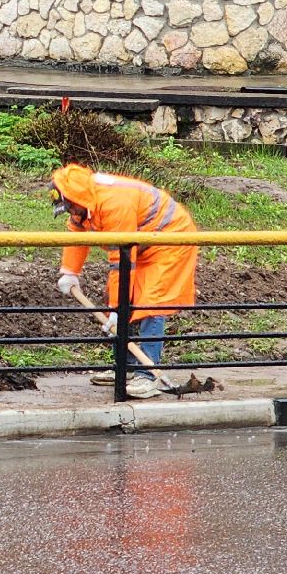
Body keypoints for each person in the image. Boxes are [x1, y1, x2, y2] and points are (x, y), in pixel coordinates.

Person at [48, 162, 198, 400]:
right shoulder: (83, 204)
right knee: (118, 296)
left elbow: (121, 261)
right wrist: (70, 271)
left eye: (70, 207)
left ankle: (148, 376)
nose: (70, 212)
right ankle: (124, 368)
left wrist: (117, 309)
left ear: (77, 199)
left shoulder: (114, 204)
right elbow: (76, 232)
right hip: (142, 244)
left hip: (170, 241)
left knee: (151, 303)